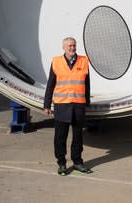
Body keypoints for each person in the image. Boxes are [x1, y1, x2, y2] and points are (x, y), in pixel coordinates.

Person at [44, 37, 92, 176]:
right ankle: (61, 163)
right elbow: (50, 84)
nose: (72, 48)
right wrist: (47, 104)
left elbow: (87, 84)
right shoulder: (56, 62)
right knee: (60, 136)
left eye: (74, 45)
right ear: (64, 47)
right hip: (62, 105)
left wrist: (86, 102)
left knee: (78, 136)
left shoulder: (84, 61)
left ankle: (77, 162)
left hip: (78, 106)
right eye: (70, 46)